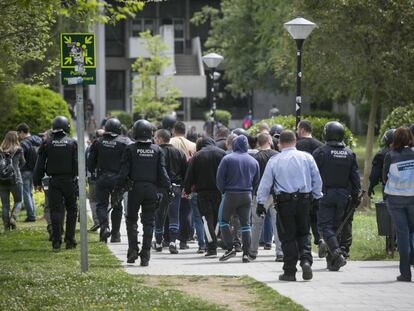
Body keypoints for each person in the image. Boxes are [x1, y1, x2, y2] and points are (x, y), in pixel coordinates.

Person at [256, 130, 322, 281]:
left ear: (280, 144)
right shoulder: (307, 158)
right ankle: (305, 260)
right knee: (304, 233)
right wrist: (317, 197)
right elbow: (316, 180)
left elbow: (265, 184)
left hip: (285, 204)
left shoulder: (275, 160)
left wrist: (261, 202)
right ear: (295, 141)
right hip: (304, 201)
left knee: (288, 236)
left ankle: (290, 271)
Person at [118, 119, 171, 266]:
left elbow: (123, 173)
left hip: (134, 189)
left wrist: (118, 187)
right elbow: (162, 172)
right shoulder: (157, 150)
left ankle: (133, 250)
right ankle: (145, 254)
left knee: (131, 220)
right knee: (149, 222)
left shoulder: (130, 149)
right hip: (151, 190)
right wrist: (168, 188)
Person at [313, 121, 361, 270]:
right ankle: (332, 263)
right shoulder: (349, 153)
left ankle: (336, 253)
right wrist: (356, 196)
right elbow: (355, 178)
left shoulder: (320, 152)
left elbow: (313, 176)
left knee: (325, 227)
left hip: (325, 194)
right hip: (343, 195)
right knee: (336, 227)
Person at [34, 116, 78, 251]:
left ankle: (56, 241)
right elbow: (77, 164)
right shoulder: (72, 143)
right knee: (72, 210)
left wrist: (37, 181)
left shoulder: (47, 143)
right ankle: (70, 240)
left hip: (54, 181)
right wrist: (78, 178)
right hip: (69, 181)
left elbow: (39, 164)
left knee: (55, 211)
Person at [216, 135, 260, 262]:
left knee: (223, 221)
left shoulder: (227, 159)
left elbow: (219, 179)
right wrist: (251, 191)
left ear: (234, 145)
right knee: (246, 225)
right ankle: (246, 254)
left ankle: (230, 248)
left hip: (230, 194)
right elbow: (257, 180)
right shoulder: (253, 161)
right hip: (246, 195)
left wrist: (223, 191)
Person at [87, 118, 131, 243]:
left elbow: (90, 163)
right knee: (117, 206)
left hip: (102, 178)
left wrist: (94, 175)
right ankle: (115, 235)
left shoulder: (98, 142)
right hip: (118, 179)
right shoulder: (125, 142)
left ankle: (104, 228)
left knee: (101, 205)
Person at [184, 137, 226, 257]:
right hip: (219, 192)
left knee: (206, 220)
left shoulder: (197, 156)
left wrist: (187, 190)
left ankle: (211, 248)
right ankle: (217, 240)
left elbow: (190, 175)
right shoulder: (222, 153)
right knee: (217, 218)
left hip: (203, 193)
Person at [383, 127, 414, 282]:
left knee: (402, 234)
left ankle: (405, 273)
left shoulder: (390, 156)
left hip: (395, 200)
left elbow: (384, 178)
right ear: (410, 139)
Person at [249, 133, 283, 262]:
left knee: (256, 225)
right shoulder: (277, 156)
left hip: (259, 195)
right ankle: (280, 252)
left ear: (258, 142)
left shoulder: (255, 157)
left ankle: (253, 252)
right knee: (277, 224)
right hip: (276, 194)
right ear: (269, 141)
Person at [153, 129, 187, 254]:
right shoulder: (179, 152)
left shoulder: (157, 152)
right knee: (174, 215)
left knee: (159, 215)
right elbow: (185, 172)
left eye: (155, 138)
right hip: (176, 187)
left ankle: (158, 242)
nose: (154, 140)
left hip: (160, 188)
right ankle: (173, 242)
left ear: (161, 139)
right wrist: (183, 187)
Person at [295, 120, 326, 258]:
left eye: (297, 129)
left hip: (300, 189)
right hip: (317, 188)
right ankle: (320, 240)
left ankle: (303, 249)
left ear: (301, 130)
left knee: (303, 219)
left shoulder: (297, 146)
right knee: (315, 217)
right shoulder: (320, 146)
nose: (296, 132)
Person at [170, 121, 196, 249]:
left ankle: (168, 238)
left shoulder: (169, 143)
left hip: (171, 181)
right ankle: (184, 240)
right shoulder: (193, 145)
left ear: (173, 130)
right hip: (187, 182)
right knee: (186, 212)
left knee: (170, 211)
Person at [16, 123, 42, 222]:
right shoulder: (38, 139)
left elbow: (21, 159)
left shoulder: (23, 143)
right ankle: (32, 213)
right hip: (37, 170)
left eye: (19, 134)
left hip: (26, 170)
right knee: (30, 193)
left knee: (27, 193)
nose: (18, 136)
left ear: (22, 132)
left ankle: (31, 215)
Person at [0, 131, 25, 231]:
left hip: (1, 180)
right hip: (16, 179)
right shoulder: (18, 149)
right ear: (16, 139)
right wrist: (16, 167)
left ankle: (6, 227)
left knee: (5, 205)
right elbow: (23, 162)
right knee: (18, 201)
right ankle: (13, 218)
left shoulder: (0, 150)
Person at [368, 129, 395, 198]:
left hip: (389, 189)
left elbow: (375, 174)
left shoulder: (381, 154)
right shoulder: (407, 153)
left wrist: (371, 186)